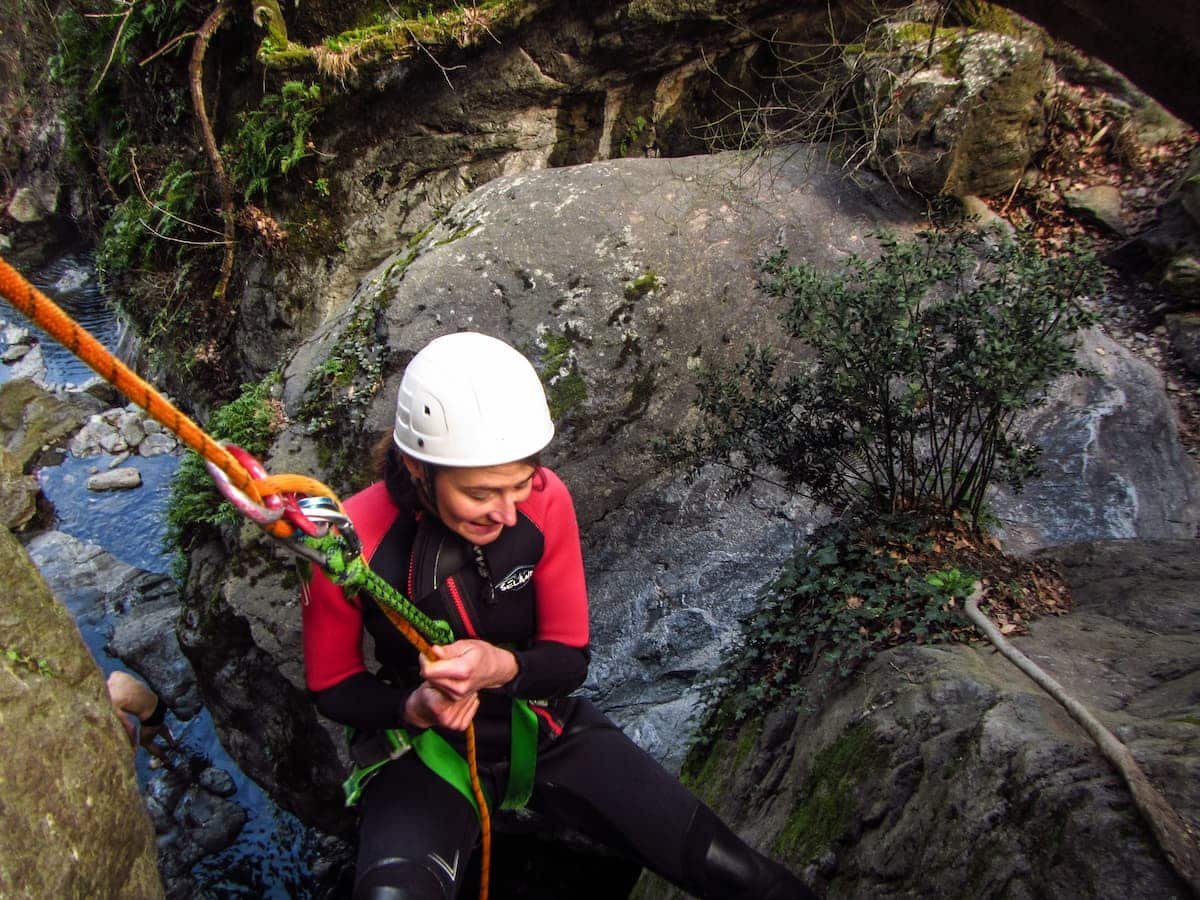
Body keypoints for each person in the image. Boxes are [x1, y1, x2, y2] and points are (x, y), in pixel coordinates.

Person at [301, 332, 816, 899]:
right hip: (424, 751)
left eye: (519, 483)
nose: (505, 511)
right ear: (418, 468)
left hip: (542, 725)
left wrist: (499, 666)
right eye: (480, 493)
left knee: (728, 866)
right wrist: (412, 706)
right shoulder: (350, 542)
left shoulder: (547, 502)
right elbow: (332, 687)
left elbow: (569, 660)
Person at [107, 669, 176, 764]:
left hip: (151, 718)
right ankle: (172, 743)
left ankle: (166, 761)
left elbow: (131, 727)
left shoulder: (113, 701)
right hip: (158, 700)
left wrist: (134, 746)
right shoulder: (116, 675)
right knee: (159, 724)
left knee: (145, 742)